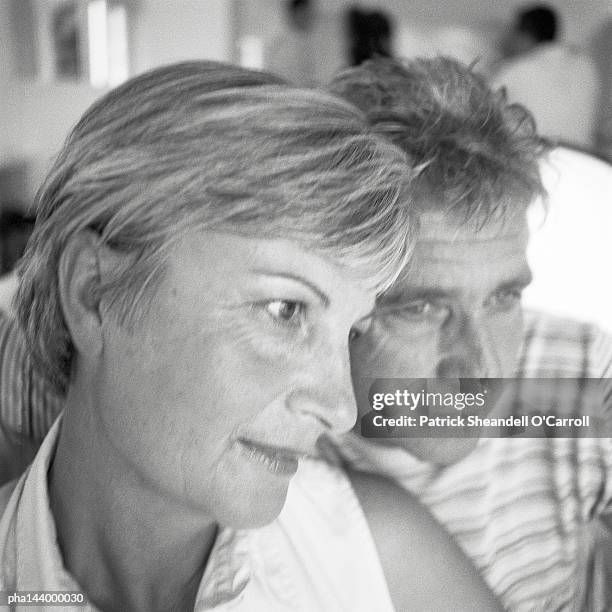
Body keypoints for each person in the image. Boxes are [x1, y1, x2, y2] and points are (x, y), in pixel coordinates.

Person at [0, 60, 503, 611]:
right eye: (287, 310)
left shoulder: (383, 559)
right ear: (93, 291)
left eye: (351, 332)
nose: (339, 410)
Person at [329, 56, 612, 610]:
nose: (482, 368)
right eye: (423, 308)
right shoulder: (273, 439)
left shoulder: (569, 383)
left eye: (504, 297)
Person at [492, 4, 600, 150]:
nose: (504, 40)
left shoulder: (516, 69)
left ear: (523, 34)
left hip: (537, 157)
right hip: (584, 160)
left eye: (509, 32)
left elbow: (480, 111)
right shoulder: (586, 68)